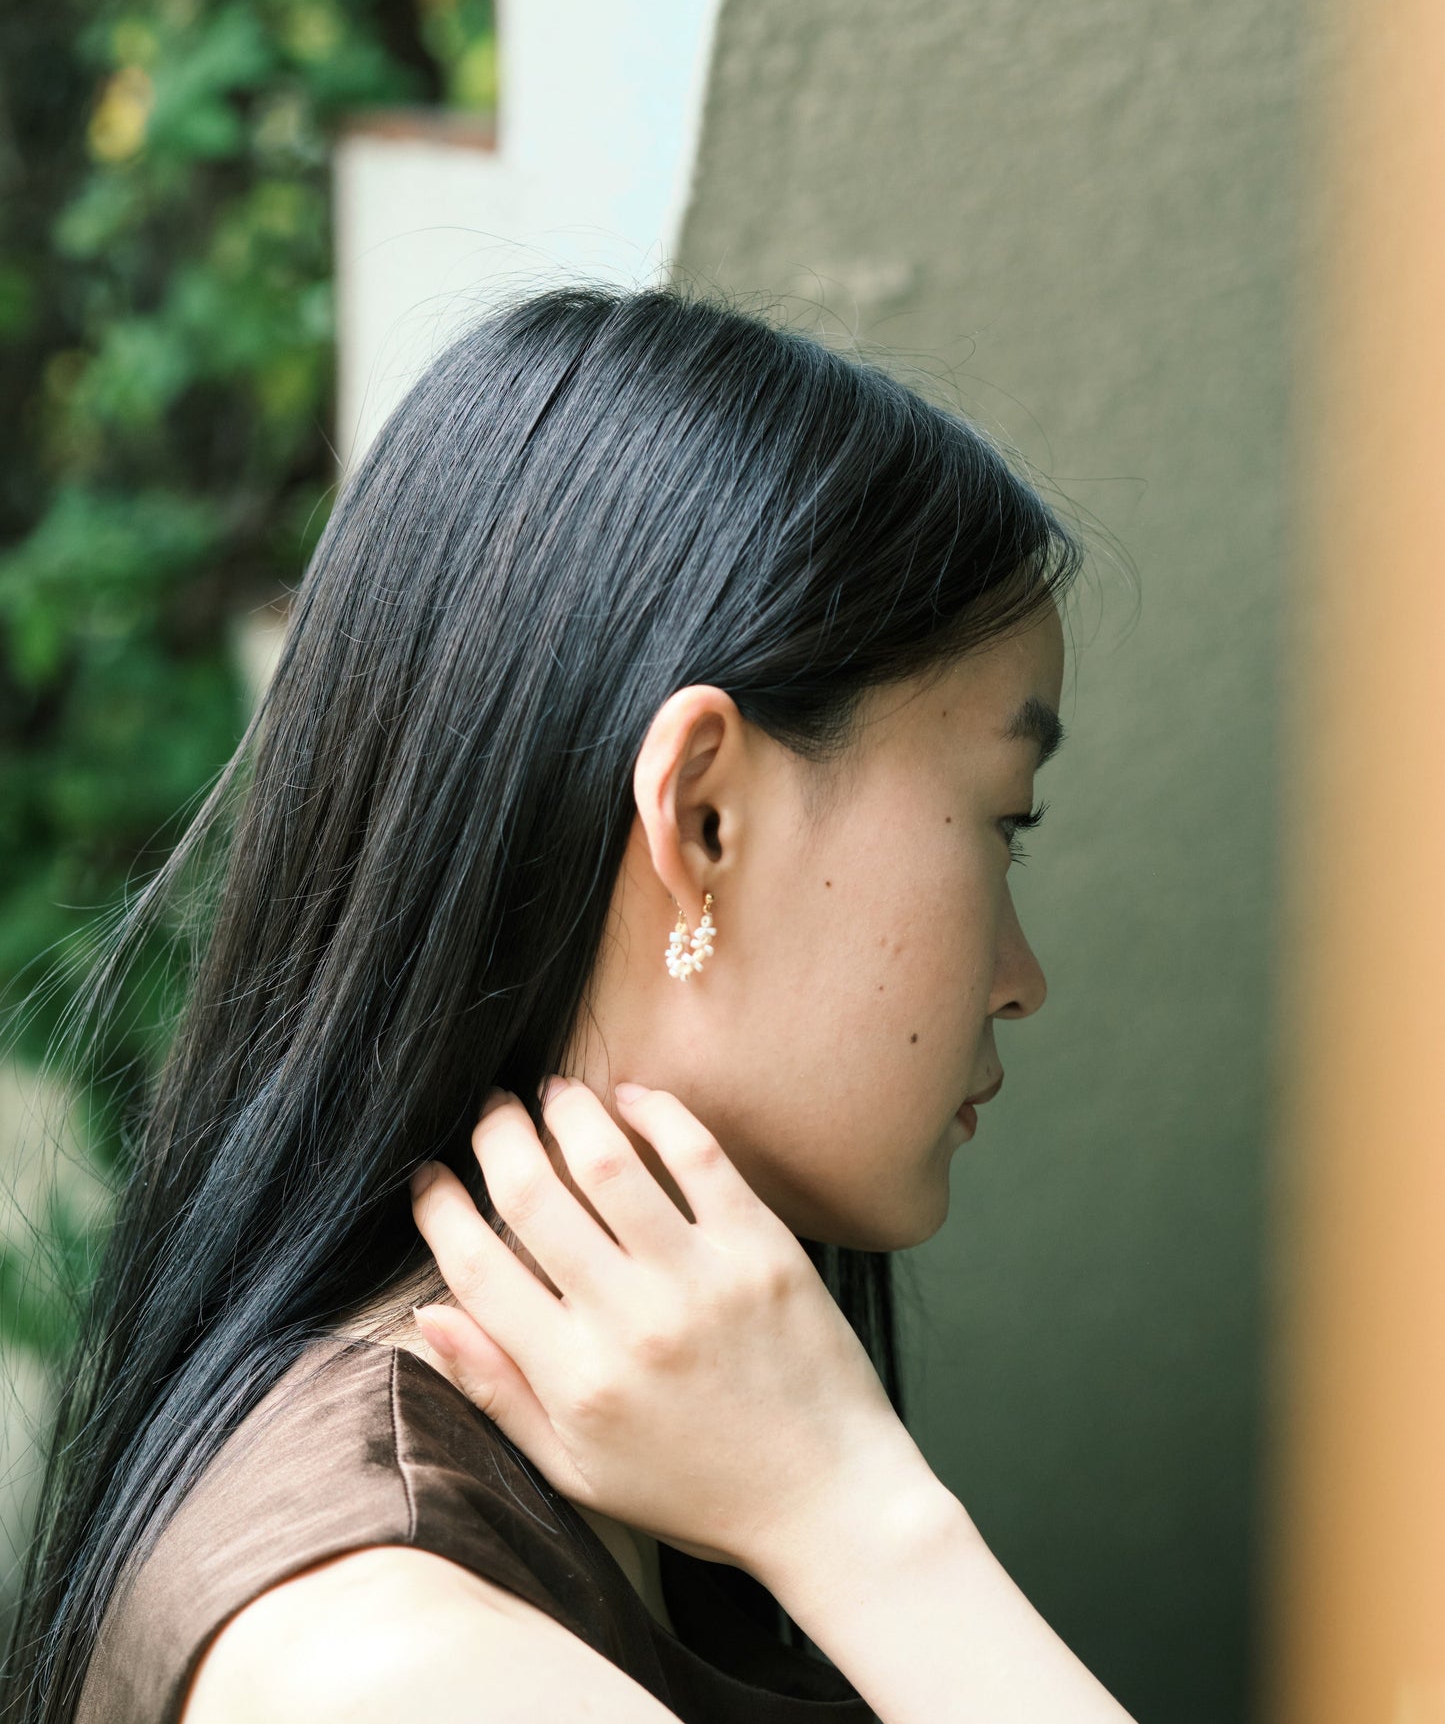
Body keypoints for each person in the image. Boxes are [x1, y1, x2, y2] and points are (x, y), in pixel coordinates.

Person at [0, 284, 1130, 1722]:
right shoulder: (394, 1664)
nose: (1021, 979)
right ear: (702, 817)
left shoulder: (607, 1458)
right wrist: (863, 1527)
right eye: (1002, 819)